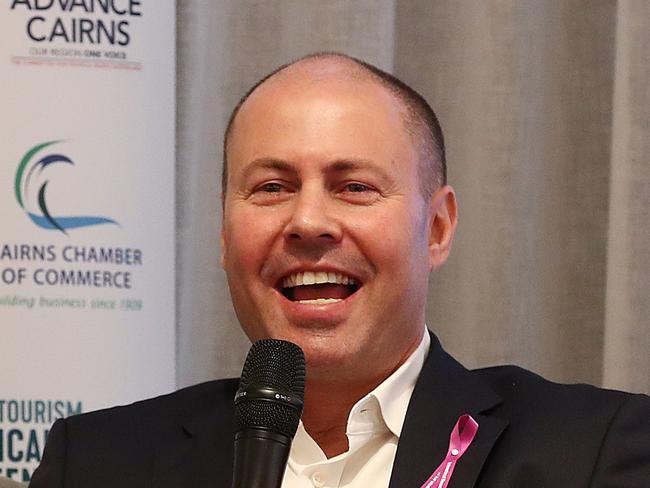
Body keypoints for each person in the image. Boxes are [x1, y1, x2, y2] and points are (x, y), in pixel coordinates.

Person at [30, 53, 650, 487]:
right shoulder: (96, 462)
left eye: (353, 186)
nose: (308, 222)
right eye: (271, 187)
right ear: (223, 236)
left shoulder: (594, 450)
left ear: (437, 227)